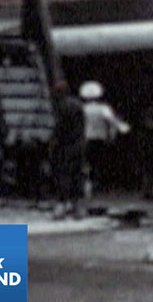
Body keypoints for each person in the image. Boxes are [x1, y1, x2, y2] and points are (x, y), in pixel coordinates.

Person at [80, 81, 130, 191]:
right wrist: (119, 129)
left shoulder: (82, 108)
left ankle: (87, 183)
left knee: (86, 161)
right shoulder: (104, 108)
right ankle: (97, 183)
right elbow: (113, 121)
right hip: (100, 138)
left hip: (85, 138)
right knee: (98, 162)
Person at [50, 81, 86, 219]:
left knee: (64, 175)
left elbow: (60, 128)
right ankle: (77, 208)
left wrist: (54, 143)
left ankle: (63, 205)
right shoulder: (78, 105)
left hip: (66, 146)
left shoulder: (63, 107)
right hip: (79, 144)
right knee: (77, 175)